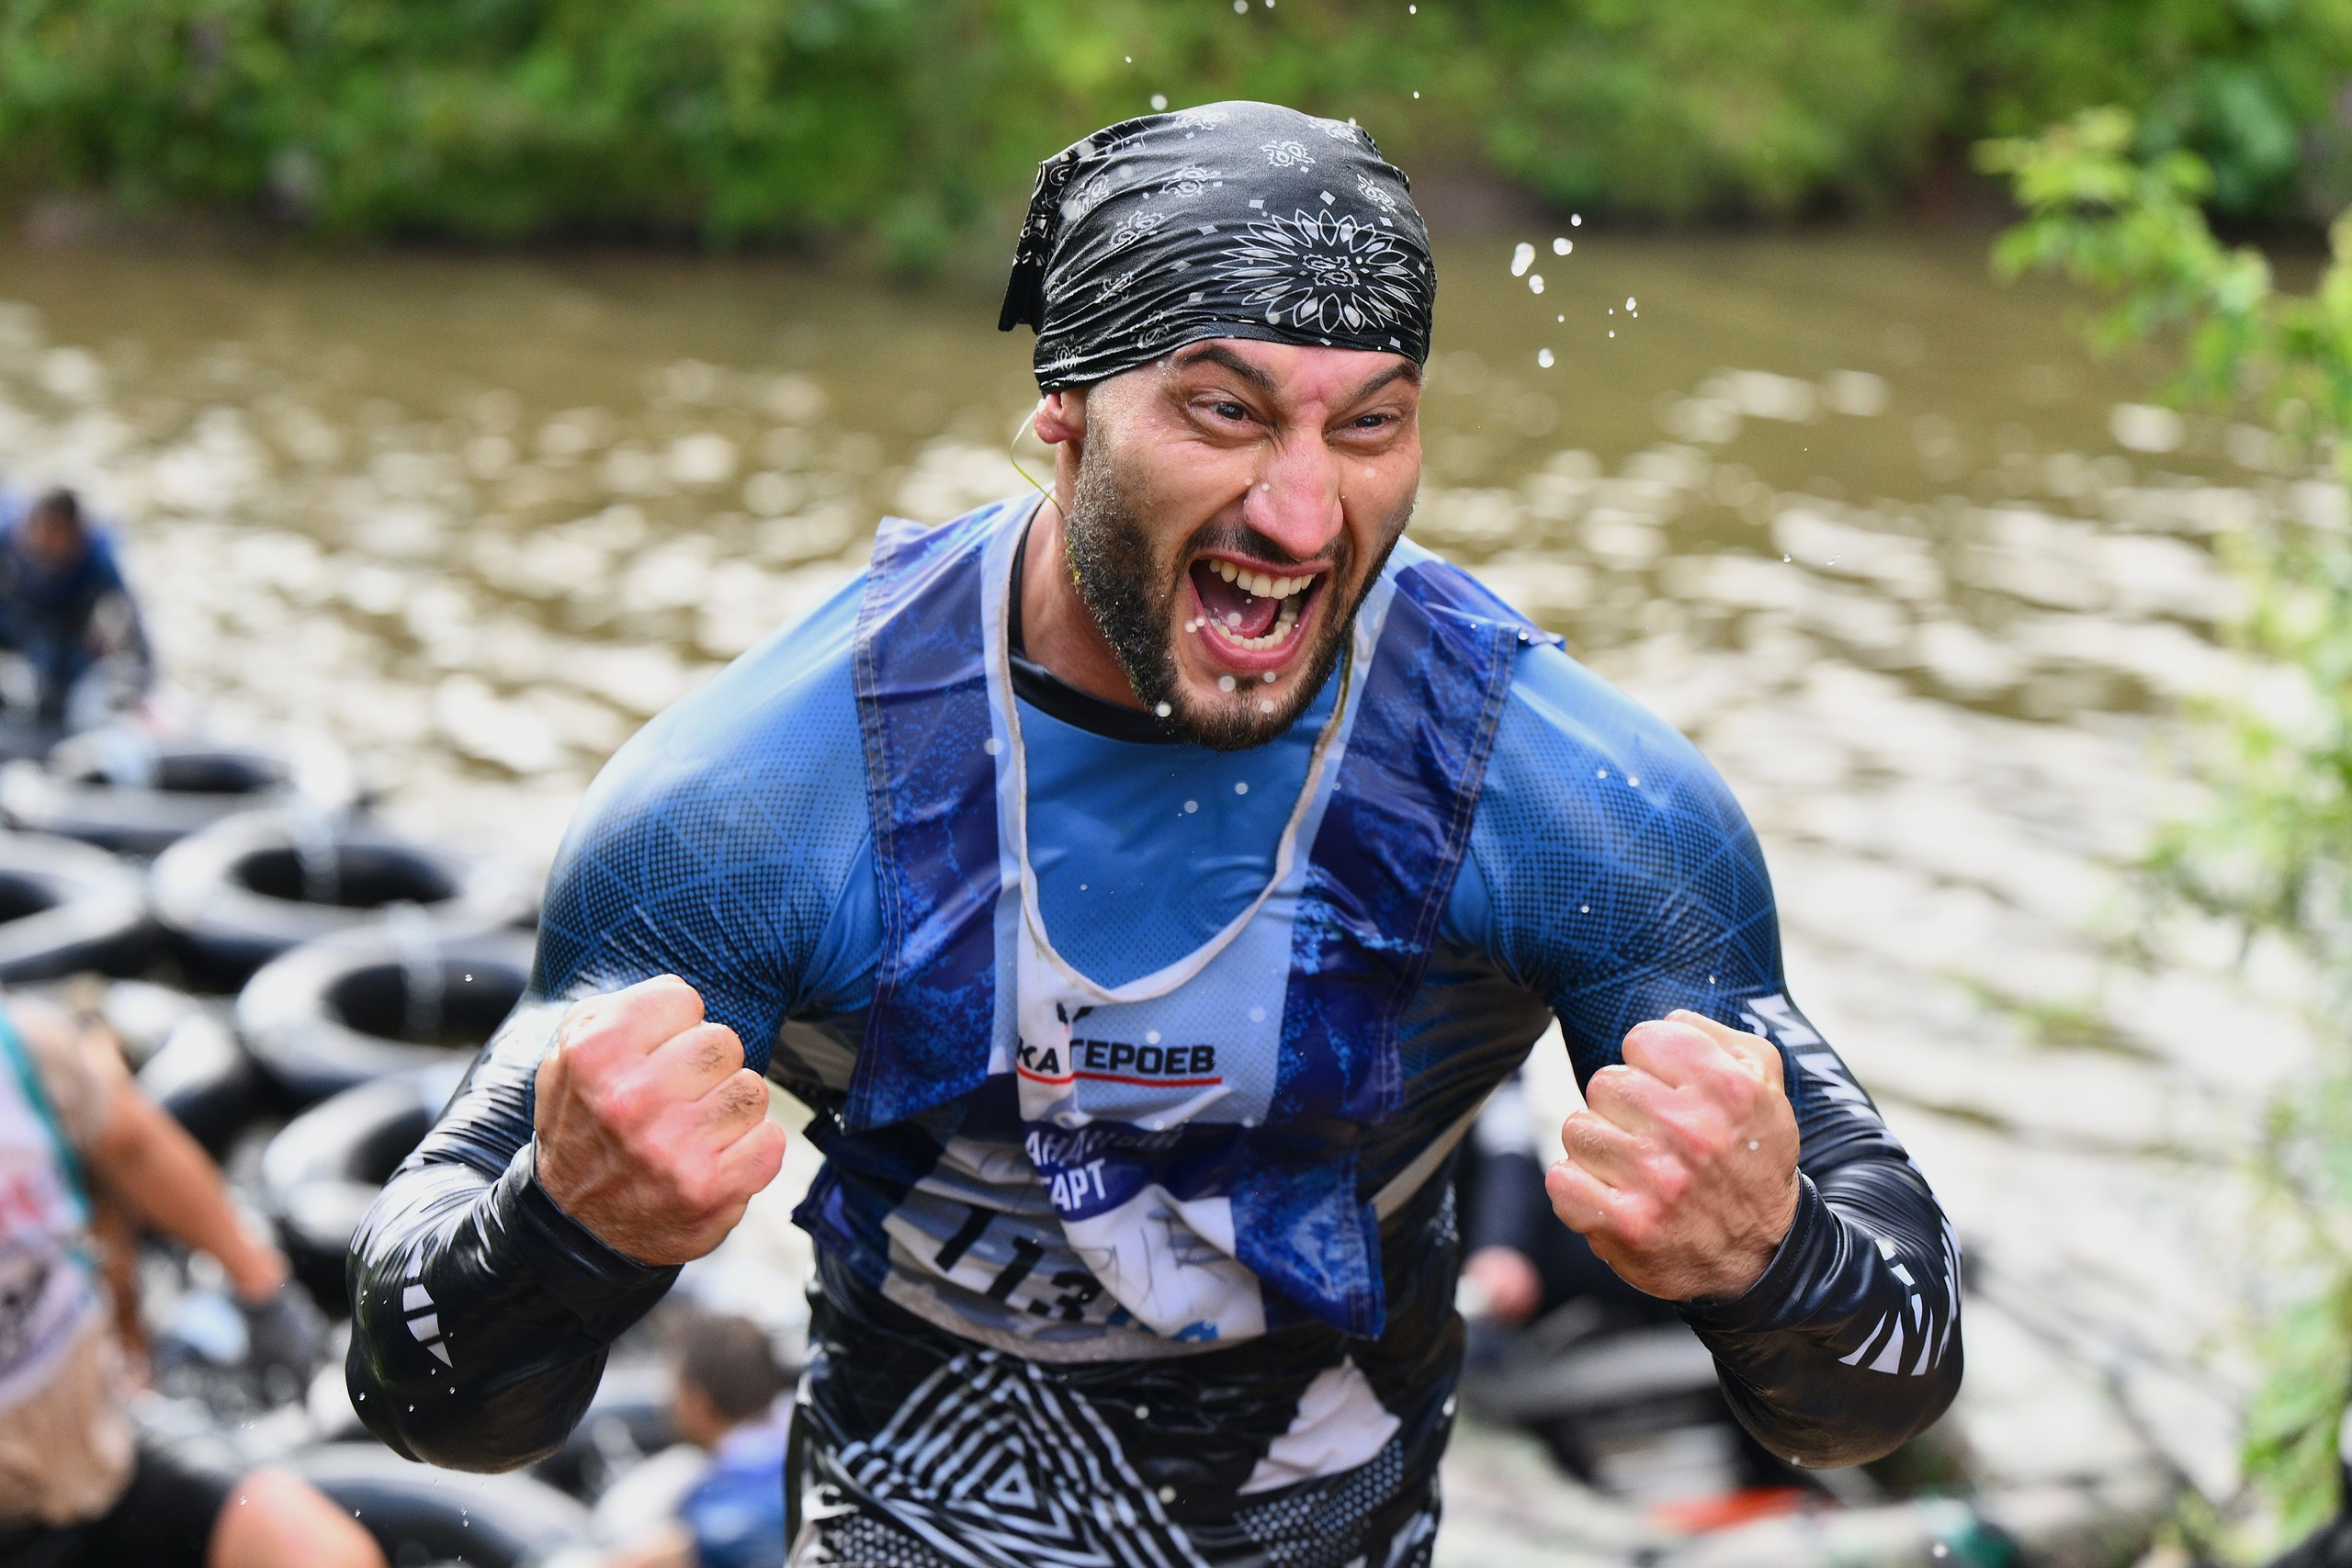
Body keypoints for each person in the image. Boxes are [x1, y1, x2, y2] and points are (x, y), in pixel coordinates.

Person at [349, 101, 1962, 1567]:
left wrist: (1774, 1253)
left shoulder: (1562, 806)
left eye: (1370, 424)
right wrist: (557, 1231)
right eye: (1224, 411)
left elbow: (1878, 1386)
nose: (1303, 514)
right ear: (1061, 415)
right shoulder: (760, 807)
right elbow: (430, 1394)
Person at [0, 992, 380, 1568]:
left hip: (98, 1461)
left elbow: (133, 1143)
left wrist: (263, 1289)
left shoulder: (24, 1052)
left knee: (328, 1553)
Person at [604, 1311, 794, 1568]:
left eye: (675, 1389)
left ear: (698, 1402)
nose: (668, 1404)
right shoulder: (814, 1440)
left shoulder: (719, 1501)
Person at [0, 487, 152, 728]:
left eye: (55, 535)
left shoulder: (100, 560)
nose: (43, 544)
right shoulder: (7, 539)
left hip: (69, 640)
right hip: (17, 627)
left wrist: (142, 688)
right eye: (37, 531)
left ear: (75, 534)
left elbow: (136, 631)